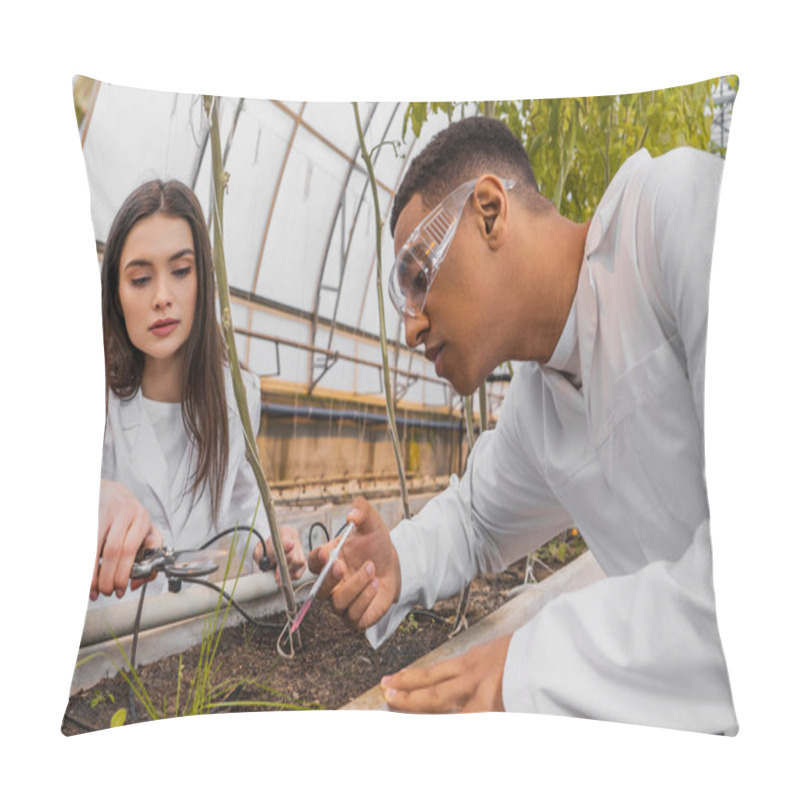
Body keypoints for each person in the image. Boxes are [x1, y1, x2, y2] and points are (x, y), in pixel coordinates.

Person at [308, 116, 738, 733]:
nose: (410, 327)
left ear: (489, 212)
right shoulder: (538, 403)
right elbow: (477, 520)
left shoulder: (677, 213)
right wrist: (396, 560)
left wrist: (531, 665)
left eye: (419, 276)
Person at [91, 179, 306, 604]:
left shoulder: (236, 398)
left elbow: (244, 500)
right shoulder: (95, 400)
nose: (162, 298)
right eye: (139, 279)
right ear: (116, 294)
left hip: (197, 639)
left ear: (203, 281)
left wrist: (269, 539)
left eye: (181, 271)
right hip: (107, 646)